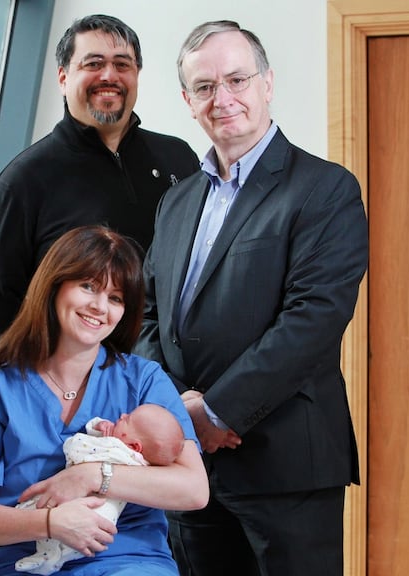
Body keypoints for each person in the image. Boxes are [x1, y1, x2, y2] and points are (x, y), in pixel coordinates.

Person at [134, 20, 369, 576]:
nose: (224, 98)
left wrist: (217, 410)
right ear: (188, 102)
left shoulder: (324, 188)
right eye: (206, 87)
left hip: (284, 467)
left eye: (237, 80)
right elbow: (146, 315)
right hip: (188, 468)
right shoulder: (177, 200)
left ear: (267, 84)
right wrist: (176, 412)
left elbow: (313, 320)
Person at [0, 225, 209, 576]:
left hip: (130, 563)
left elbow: (194, 489)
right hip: (31, 566)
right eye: (88, 287)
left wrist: (93, 475)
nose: (100, 306)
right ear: (55, 286)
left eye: (115, 298)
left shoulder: (144, 380)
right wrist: (51, 522)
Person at [0, 14, 200, 336]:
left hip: (170, 373)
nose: (109, 75)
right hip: (79, 377)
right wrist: (58, 365)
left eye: (122, 65)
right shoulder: (24, 180)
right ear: (64, 77)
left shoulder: (178, 159)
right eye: (93, 64)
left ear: (136, 74)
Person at [15, 404, 185, 575]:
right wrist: (103, 427)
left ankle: (47, 556)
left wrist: (96, 429)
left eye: (128, 420)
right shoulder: (140, 465)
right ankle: (50, 558)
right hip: (103, 524)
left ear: (134, 446)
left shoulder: (118, 451)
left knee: (39, 508)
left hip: (88, 511)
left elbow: (77, 447)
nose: (123, 415)